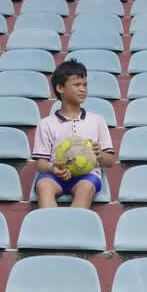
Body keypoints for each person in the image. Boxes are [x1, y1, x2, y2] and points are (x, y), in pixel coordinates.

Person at [32, 59, 115, 209]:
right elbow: (40, 163)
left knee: (86, 187)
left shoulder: (97, 120)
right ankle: (50, 228)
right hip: (56, 175)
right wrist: (53, 169)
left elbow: (109, 161)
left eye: (85, 85)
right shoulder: (46, 123)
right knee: (44, 185)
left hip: (87, 176)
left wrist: (99, 155)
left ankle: (73, 228)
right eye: (76, 85)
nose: (82, 89)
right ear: (60, 88)